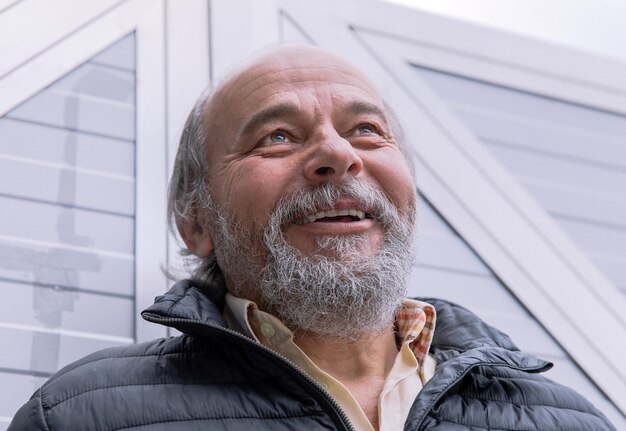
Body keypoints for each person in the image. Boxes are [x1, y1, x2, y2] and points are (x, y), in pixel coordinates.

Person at [9, 44, 615, 431]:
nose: (337, 153)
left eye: (367, 130)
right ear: (195, 222)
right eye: (276, 135)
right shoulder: (78, 416)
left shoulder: (563, 420)